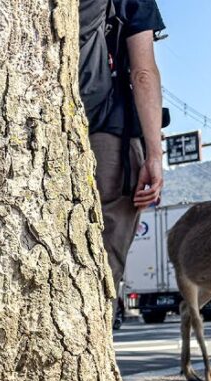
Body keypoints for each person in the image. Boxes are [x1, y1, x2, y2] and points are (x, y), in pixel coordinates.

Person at [79, 0, 166, 327]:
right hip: (109, 144)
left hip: (39, 127)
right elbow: (143, 73)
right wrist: (154, 155)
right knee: (104, 267)